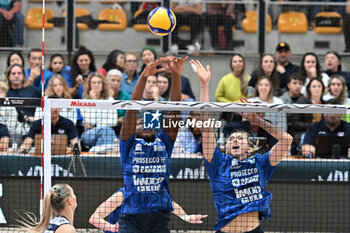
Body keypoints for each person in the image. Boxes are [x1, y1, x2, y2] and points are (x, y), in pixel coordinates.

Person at [190, 59, 292, 233]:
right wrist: (204, 85)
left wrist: (257, 120)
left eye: (240, 139)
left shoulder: (261, 163)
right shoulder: (217, 162)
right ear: (226, 148)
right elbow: (206, 125)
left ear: (249, 147)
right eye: (231, 140)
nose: (234, 140)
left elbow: (286, 140)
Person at [119, 56, 186, 233]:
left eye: (148, 123)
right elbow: (132, 108)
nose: (145, 125)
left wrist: (176, 76)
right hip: (132, 215)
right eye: (140, 124)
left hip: (159, 214)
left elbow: (175, 109)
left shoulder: (164, 142)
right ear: (134, 128)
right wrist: (143, 77)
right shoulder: (128, 144)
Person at [89, 187, 207, 233]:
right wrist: (111, 227)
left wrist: (186, 217)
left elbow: (172, 205)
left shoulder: (155, 195)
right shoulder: (123, 195)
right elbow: (94, 218)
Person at [80, 72, 118, 152]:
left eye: (99, 82)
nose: (96, 85)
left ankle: (95, 153)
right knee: (107, 131)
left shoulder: (110, 100)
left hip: (106, 132)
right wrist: (94, 101)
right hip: (88, 134)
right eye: (94, 83)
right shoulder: (85, 101)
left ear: (103, 85)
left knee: (105, 132)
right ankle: (111, 154)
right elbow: (91, 120)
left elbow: (114, 121)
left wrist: (97, 125)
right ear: (89, 85)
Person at [279, 73, 312, 155]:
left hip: (299, 132)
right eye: (294, 83)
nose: (297, 86)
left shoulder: (306, 101)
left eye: (300, 83)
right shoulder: (280, 101)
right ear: (288, 85)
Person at [107, 69, 130, 133]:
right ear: (107, 81)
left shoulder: (126, 96)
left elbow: (129, 113)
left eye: (118, 81)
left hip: (122, 127)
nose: (115, 83)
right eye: (113, 80)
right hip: (105, 126)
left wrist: (122, 118)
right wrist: (110, 97)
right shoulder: (102, 96)